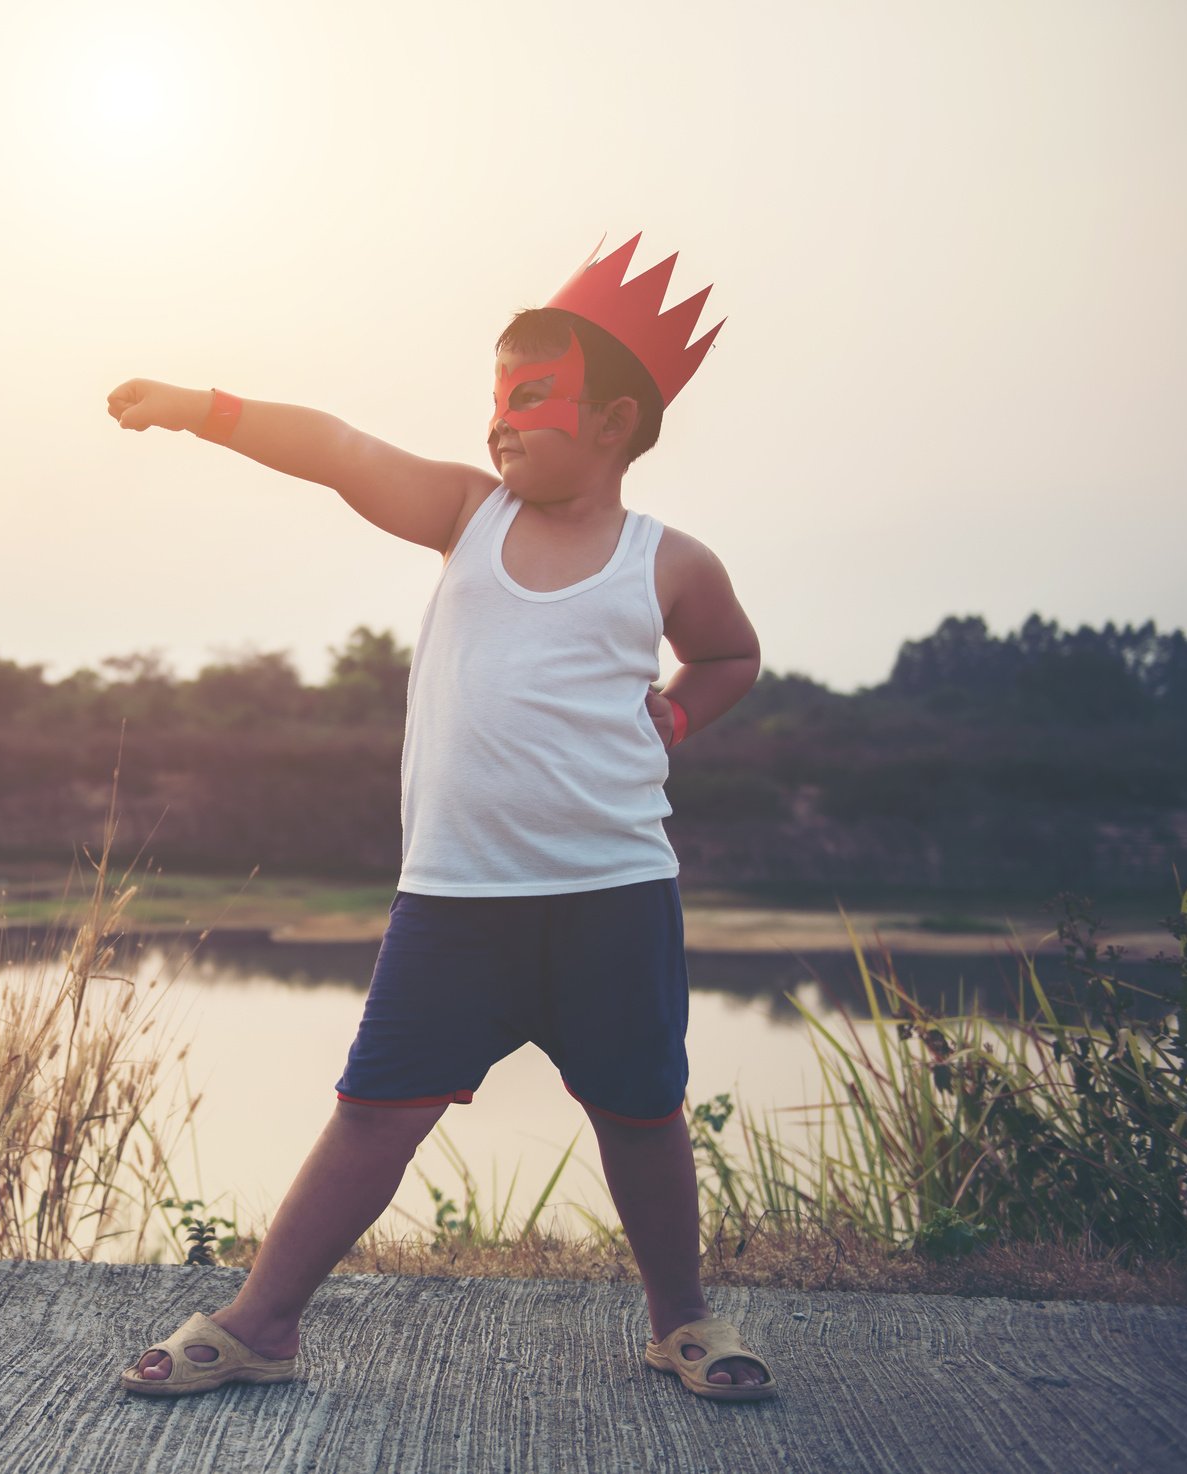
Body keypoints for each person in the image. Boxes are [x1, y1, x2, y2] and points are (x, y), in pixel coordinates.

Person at [103, 236, 775, 1403]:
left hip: (613, 894)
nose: (499, 424)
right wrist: (202, 408)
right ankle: (261, 1322)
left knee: (643, 1114)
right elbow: (338, 449)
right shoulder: (466, 514)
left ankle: (682, 1322)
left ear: (614, 422)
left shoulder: (670, 563)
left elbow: (731, 654)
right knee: (373, 1114)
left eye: (530, 398)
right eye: (494, 399)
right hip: (459, 900)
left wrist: (675, 714)